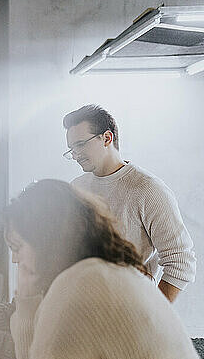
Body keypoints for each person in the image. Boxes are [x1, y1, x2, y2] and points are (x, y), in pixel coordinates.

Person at [0, 180, 202, 359]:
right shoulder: (95, 268)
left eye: (18, 248)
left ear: (48, 241)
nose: (14, 259)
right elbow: (33, 358)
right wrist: (27, 294)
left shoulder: (82, 285)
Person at [63, 104, 196, 302]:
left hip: (129, 313)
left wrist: (152, 314)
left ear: (106, 138)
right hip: (81, 311)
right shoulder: (76, 188)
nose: (75, 155)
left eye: (81, 145)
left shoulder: (148, 190)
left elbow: (181, 261)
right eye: (71, 148)